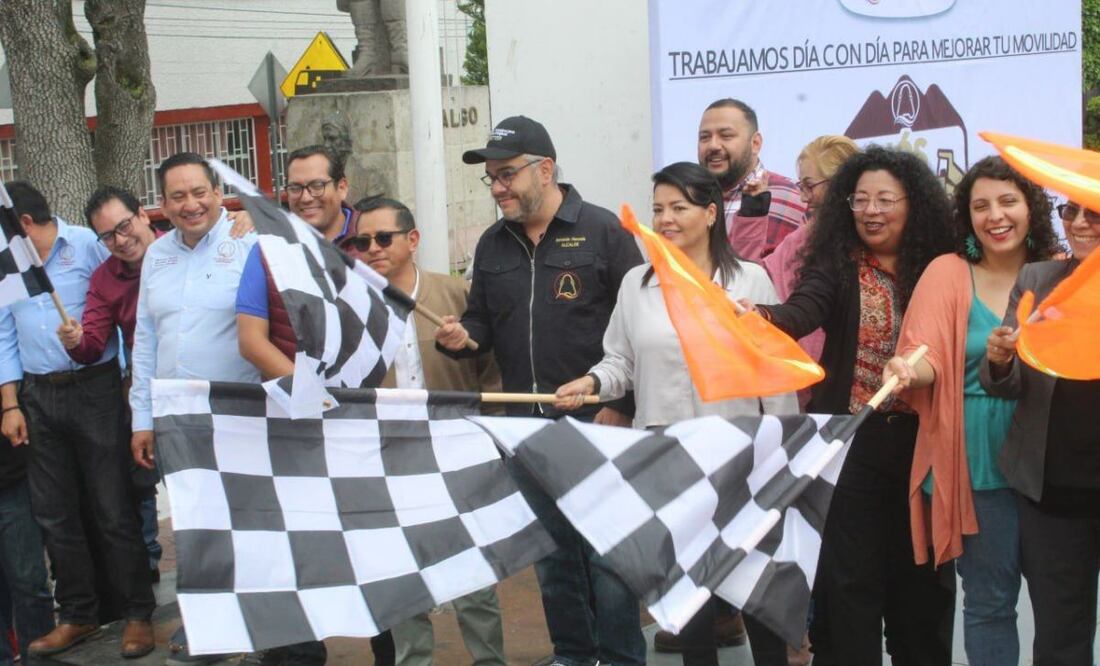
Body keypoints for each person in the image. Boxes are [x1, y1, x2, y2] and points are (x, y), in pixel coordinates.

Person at [554, 162, 796, 666]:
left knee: (757, 590)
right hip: (666, 456)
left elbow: (777, 373)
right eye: (658, 209)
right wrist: (593, 382)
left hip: (741, 453)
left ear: (710, 214)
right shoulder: (636, 286)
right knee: (689, 599)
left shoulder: (748, 282)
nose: (664, 219)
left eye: (678, 208)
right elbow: (620, 361)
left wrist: (779, 448)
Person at [436, 115, 646, 666]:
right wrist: (462, 338)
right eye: (492, 178)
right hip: (524, 428)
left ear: (545, 169)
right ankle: (573, 655)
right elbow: (482, 323)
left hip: (598, 422)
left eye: (506, 175)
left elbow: (640, 328)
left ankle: (621, 658)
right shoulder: (492, 244)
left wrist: (621, 405)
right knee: (551, 553)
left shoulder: (604, 232)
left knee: (607, 552)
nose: (498, 187)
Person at [753, 146, 956, 666]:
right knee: (848, 584)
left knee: (924, 582)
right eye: (860, 199)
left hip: (924, 448)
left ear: (914, 204)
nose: (871, 210)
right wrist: (760, 317)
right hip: (851, 445)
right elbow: (804, 310)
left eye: (885, 199)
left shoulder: (943, 266)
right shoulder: (837, 261)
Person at [882, 156, 1061, 666]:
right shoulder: (948, 272)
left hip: (1054, 455)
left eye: (1008, 201)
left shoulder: (1063, 274)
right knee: (988, 604)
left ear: (1032, 208)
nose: (995, 216)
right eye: (980, 205)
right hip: (975, 457)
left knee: (1062, 606)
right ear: (967, 216)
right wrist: (905, 369)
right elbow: (924, 358)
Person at [337, 196, 507, 666]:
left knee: (473, 574)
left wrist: (487, 436)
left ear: (412, 240)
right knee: (401, 577)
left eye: (383, 238)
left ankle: (489, 660)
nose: (372, 248)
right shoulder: (349, 309)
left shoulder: (455, 294)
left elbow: (490, 367)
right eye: (361, 241)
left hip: (457, 451)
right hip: (388, 458)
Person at [0, 181, 156, 660]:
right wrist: (10, 404)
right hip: (38, 397)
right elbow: (4, 331)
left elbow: (126, 311)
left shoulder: (90, 243)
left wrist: (133, 385)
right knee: (55, 513)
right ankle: (77, 614)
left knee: (112, 508)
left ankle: (136, 613)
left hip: (96, 389)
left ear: (23, 224)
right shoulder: (8, 265)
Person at [128, 153, 259, 665]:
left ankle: (253, 622)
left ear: (217, 192)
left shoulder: (248, 241)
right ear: (161, 204)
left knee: (245, 522)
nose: (191, 204)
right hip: (175, 418)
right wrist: (142, 419)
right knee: (193, 524)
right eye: (177, 196)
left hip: (239, 413)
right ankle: (206, 622)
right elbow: (143, 342)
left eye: (199, 192)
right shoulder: (157, 257)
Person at [981, 198, 1100, 666]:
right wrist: (1000, 358)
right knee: (1059, 639)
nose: (1079, 223)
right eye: (1070, 212)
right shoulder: (1038, 280)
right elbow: (1006, 385)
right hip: (1053, 493)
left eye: (1094, 212)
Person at [762, 135, 859, 366]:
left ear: (839, 182)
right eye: (800, 186)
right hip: (807, 375)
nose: (803, 196)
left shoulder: (876, 238)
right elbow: (756, 274)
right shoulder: (802, 238)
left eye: (809, 186)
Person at [697, 98, 807, 261]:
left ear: (755, 143)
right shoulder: (690, 199)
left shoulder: (789, 197)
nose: (713, 145)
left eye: (726, 136)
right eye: (705, 137)